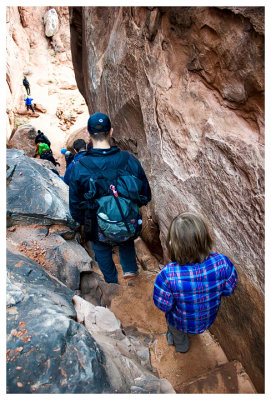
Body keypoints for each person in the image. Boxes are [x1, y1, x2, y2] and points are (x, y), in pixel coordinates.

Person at [69, 112, 152, 284]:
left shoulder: (79, 167)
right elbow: (145, 195)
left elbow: (75, 206)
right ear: (111, 132)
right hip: (127, 222)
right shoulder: (129, 160)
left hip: (96, 224)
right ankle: (130, 271)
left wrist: (85, 221)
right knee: (126, 237)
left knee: (101, 249)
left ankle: (112, 283)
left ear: (88, 134)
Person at [153, 212, 237, 353]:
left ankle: (182, 347)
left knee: (175, 330)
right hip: (207, 319)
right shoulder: (223, 263)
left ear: (173, 244)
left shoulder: (167, 275)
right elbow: (229, 289)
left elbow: (163, 305)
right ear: (205, 238)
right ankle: (191, 334)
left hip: (180, 322)